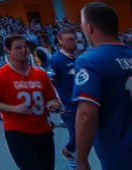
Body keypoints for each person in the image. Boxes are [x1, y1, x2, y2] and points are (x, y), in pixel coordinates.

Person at [73, 2, 132, 170]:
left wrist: (81, 160)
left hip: (123, 156)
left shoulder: (90, 61)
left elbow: (87, 114)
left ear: (89, 27)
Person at [0, 34, 61, 170]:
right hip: (17, 131)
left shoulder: (40, 74)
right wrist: (13, 108)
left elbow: (52, 98)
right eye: (18, 48)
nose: (23, 50)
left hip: (43, 129)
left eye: (25, 47)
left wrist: (53, 105)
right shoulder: (1, 75)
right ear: (7, 50)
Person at [47, 27, 78, 167]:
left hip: (81, 102)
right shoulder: (55, 61)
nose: (73, 42)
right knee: (77, 134)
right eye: (69, 39)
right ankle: (68, 152)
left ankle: (76, 157)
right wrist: (56, 101)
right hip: (68, 105)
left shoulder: (79, 58)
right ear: (60, 41)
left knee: (86, 133)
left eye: (74, 39)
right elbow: (49, 82)